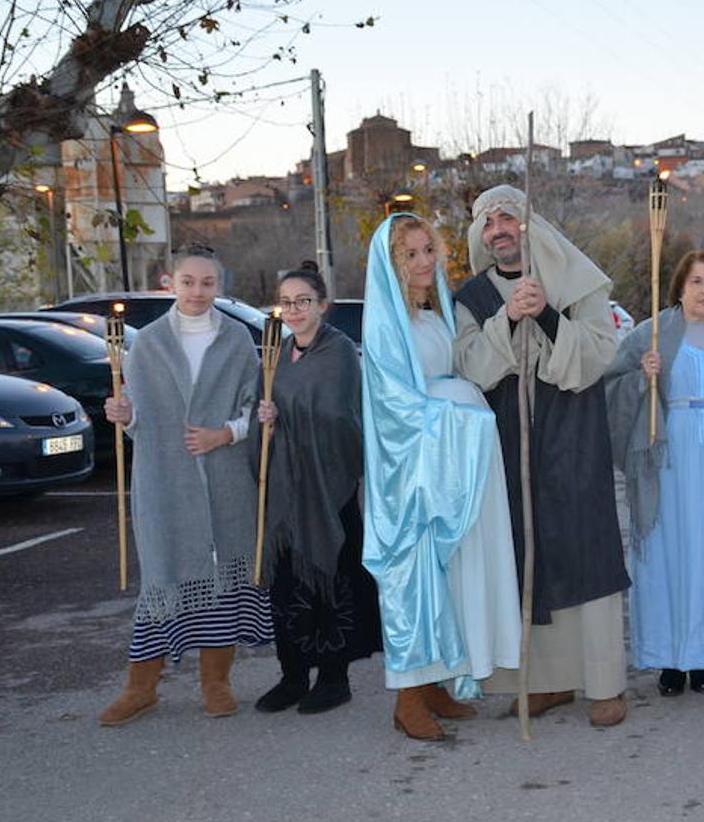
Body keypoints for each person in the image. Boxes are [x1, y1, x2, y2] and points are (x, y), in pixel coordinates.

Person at [453, 186, 631, 727]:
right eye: (488, 223)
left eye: (508, 217)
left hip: (572, 437)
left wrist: (548, 316)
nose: (499, 229)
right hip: (507, 442)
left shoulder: (579, 281)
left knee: (585, 551)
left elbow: (601, 353)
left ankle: (604, 684)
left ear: (530, 224)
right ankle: (542, 682)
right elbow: (470, 368)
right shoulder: (470, 297)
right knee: (520, 554)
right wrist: (507, 317)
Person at [362, 214, 521, 740]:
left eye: (428, 248)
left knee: (452, 573)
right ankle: (408, 696)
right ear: (390, 262)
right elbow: (393, 406)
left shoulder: (435, 313)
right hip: (420, 469)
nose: (425, 260)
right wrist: (465, 420)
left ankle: (436, 683)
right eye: (410, 253)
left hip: (458, 459)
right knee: (418, 576)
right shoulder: (387, 324)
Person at [99, 243, 268, 725]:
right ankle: (141, 687)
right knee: (162, 579)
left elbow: (253, 408)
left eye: (208, 283)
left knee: (222, 586)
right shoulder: (148, 342)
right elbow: (136, 411)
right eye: (188, 281)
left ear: (220, 285)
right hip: (166, 481)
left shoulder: (236, 339)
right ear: (168, 282)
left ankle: (215, 681)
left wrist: (224, 434)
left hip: (224, 477)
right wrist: (125, 414)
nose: (198, 291)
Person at [604, 251, 704, 697]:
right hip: (669, 455)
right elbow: (611, 385)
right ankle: (669, 657)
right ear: (679, 287)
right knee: (670, 551)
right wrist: (641, 378)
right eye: (697, 282)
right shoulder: (652, 335)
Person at [253, 262, 380, 715]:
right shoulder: (276, 354)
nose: (294, 310)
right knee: (286, 586)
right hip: (286, 496)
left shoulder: (339, 352)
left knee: (331, 580)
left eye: (303, 301)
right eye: (286, 302)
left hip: (329, 491)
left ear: (322, 305)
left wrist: (284, 422)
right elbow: (261, 412)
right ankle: (292, 675)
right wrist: (264, 424)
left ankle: (333, 677)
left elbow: (339, 419)